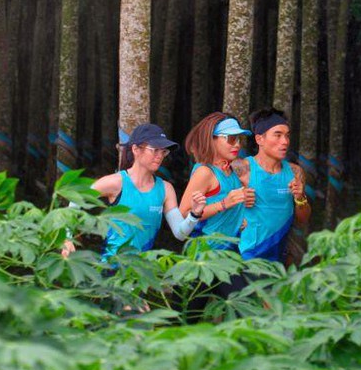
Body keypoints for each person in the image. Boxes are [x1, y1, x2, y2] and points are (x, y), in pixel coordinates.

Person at [61, 123, 197, 259]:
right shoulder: (116, 182)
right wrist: (67, 239)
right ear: (136, 149)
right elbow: (77, 198)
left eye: (163, 152)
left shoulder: (166, 189)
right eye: (154, 150)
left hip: (144, 270)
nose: (160, 156)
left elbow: (180, 234)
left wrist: (194, 214)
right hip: (113, 269)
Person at [238, 108, 309, 263]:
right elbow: (214, 205)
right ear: (259, 139)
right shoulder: (242, 169)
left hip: (281, 255)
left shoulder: (295, 172)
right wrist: (237, 201)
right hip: (247, 256)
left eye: (287, 135)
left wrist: (300, 197)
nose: (285, 141)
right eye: (277, 135)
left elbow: (302, 219)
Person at [180, 112, 255, 250]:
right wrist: (224, 204)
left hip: (229, 250)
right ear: (211, 140)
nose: (237, 145)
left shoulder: (230, 170)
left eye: (239, 139)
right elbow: (184, 213)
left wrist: (239, 216)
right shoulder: (204, 172)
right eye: (231, 139)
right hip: (206, 253)